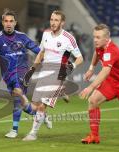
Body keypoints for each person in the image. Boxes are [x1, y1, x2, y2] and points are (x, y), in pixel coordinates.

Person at [0, 9, 50, 138]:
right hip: (7, 76)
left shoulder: (22, 37)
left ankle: (14, 130)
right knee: (23, 105)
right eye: (6, 21)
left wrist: (48, 59)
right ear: (2, 23)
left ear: (15, 23)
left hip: (22, 71)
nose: (8, 24)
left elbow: (37, 50)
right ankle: (40, 114)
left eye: (11, 21)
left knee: (18, 98)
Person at [22, 10, 83, 141]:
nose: (53, 22)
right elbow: (41, 53)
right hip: (45, 70)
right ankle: (44, 116)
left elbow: (80, 58)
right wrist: (32, 69)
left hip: (58, 73)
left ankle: (33, 133)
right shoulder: (45, 34)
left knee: (42, 105)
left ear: (62, 22)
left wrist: (72, 66)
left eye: (56, 20)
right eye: (51, 19)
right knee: (33, 107)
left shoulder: (68, 38)